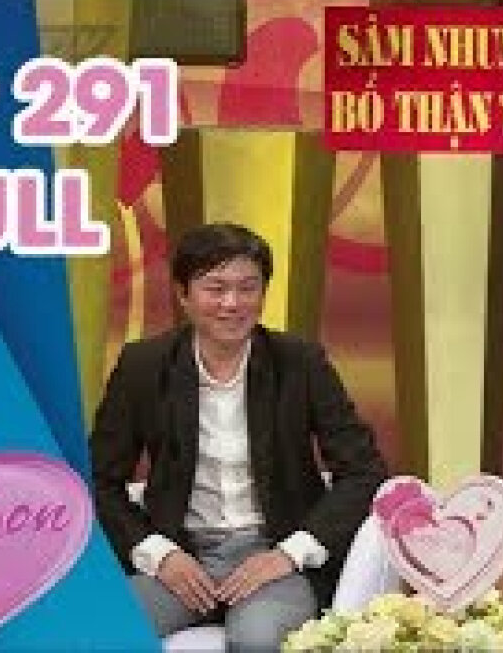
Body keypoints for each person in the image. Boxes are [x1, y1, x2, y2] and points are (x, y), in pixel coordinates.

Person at [90, 222, 387, 650]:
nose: (232, 303)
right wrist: (159, 554)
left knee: (257, 639)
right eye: (216, 288)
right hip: (182, 557)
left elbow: (363, 470)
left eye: (248, 288)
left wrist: (289, 554)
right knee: (103, 629)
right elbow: (100, 479)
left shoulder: (300, 363)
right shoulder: (144, 365)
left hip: (273, 554)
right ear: (183, 294)